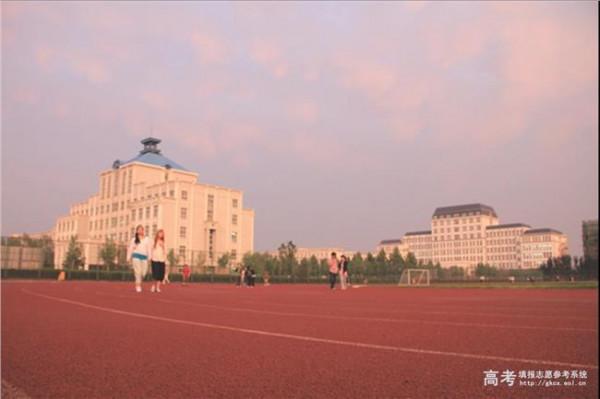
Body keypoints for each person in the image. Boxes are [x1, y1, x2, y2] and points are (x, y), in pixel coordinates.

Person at [127, 225, 151, 293]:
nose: (140, 231)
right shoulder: (134, 239)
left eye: (141, 229)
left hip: (144, 257)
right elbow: (130, 248)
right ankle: (138, 286)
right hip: (136, 256)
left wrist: (149, 257)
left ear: (143, 230)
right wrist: (128, 257)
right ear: (137, 231)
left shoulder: (147, 239)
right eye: (139, 229)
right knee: (138, 272)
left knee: (144, 273)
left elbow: (149, 248)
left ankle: (139, 281)